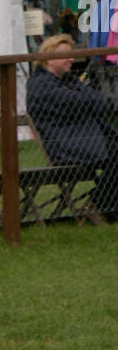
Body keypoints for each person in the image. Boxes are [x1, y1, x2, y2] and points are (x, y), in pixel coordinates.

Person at [27, 34, 118, 216]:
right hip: (66, 146)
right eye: (65, 55)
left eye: (71, 54)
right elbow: (75, 102)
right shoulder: (39, 85)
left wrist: (83, 100)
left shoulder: (67, 81)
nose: (71, 59)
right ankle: (98, 206)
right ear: (49, 58)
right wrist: (84, 100)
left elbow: (99, 102)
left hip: (89, 139)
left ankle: (106, 205)